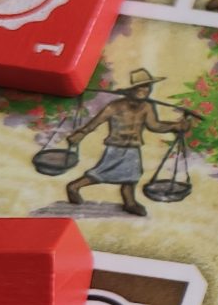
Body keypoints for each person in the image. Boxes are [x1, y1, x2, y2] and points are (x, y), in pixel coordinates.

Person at [60, 68, 187, 217]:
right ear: (130, 90)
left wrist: (174, 126)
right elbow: (95, 122)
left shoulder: (146, 107)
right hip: (116, 147)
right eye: (139, 87)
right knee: (102, 173)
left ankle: (129, 203)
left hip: (133, 148)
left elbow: (154, 126)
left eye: (147, 87)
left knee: (132, 177)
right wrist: (81, 134)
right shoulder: (115, 106)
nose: (144, 90)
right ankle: (74, 187)